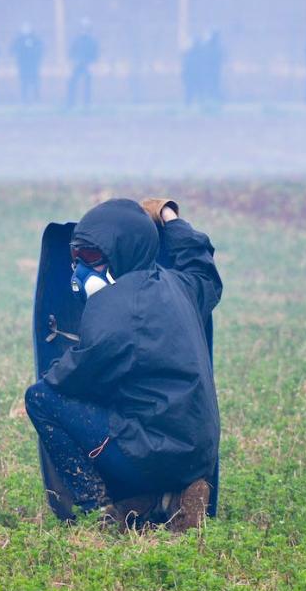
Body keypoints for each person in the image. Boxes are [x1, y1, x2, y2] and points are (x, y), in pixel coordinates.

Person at [24, 198, 222, 531]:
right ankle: (169, 498)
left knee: (41, 398)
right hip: (199, 456)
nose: (79, 269)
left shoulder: (111, 308)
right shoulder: (181, 284)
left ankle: (102, 509)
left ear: (122, 251)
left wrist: (59, 365)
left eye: (90, 257)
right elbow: (201, 265)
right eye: (76, 257)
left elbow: (70, 379)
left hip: (155, 454)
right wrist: (169, 217)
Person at [66, 18, 99, 109]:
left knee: (87, 84)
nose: (83, 30)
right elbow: (71, 51)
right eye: (82, 28)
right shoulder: (77, 40)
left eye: (85, 28)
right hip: (77, 64)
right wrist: (72, 61)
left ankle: (86, 103)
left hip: (87, 64)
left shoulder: (92, 41)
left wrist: (92, 64)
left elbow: (95, 53)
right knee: (72, 82)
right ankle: (71, 102)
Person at [11, 23, 43, 103]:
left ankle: (36, 97)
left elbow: (41, 48)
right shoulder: (19, 40)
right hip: (23, 64)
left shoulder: (35, 39)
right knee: (24, 81)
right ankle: (24, 98)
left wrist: (35, 53)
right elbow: (13, 49)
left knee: (34, 80)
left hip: (33, 64)